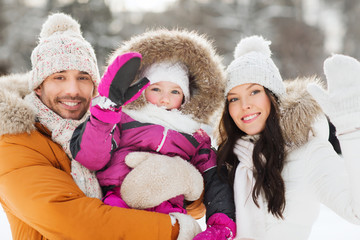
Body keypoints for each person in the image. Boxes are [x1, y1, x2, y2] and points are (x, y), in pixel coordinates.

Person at [0, 13, 196, 240]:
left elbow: (192, 205)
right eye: (59, 77)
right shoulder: (14, 141)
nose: (72, 90)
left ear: (95, 86)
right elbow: (73, 220)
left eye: (83, 78)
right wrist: (173, 229)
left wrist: (179, 176)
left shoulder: (110, 128)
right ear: (38, 86)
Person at [70, 29, 236, 239]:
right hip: (119, 201)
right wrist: (106, 113)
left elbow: (215, 180)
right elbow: (91, 158)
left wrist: (222, 223)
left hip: (168, 211)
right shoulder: (123, 118)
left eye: (174, 91)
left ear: (185, 97)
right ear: (142, 89)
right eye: (156, 89)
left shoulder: (194, 135)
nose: (165, 99)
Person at [216, 35, 360, 240]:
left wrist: (352, 131)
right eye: (234, 98)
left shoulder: (309, 153)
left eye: (254, 91)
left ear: (273, 96)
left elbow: (356, 212)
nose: (244, 105)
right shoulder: (228, 159)